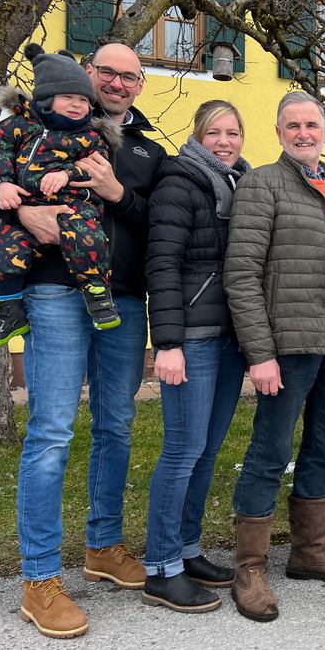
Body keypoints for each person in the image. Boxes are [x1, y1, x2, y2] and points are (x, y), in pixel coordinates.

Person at [0, 43, 166, 639]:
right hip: (53, 294)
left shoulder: (146, 147)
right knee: (51, 431)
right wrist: (22, 213)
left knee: (117, 425)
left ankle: (103, 547)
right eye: (108, 74)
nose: (117, 84)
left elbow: (159, 220)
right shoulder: (36, 127)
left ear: (139, 85)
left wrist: (117, 191)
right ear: (88, 77)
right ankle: (40, 577)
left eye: (131, 76)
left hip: (122, 300)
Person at [225, 91, 325, 623]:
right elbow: (241, 275)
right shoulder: (264, 183)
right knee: (270, 449)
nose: (303, 133)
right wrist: (260, 355)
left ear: (323, 127)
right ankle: (250, 567)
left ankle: (310, 551)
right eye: (293, 125)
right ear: (279, 131)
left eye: (311, 124)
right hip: (291, 344)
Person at [141, 100, 250, 614]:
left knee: (206, 451)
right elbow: (161, 264)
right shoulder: (179, 182)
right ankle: (161, 569)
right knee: (182, 449)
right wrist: (167, 343)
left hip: (228, 338)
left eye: (232, 133)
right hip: (191, 338)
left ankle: (186, 550)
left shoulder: (238, 184)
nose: (224, 142)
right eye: (214, 133)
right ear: (198, 136)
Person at [0, 43, 122, 349]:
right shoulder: (19, 126)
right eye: (67, 97)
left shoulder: (90, 135)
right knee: (5, 248)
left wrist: (67, 174)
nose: (76, 105)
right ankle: (7, 310)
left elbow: (97, 169)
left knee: (87, 238)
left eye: (83, 99)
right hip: (27, 208)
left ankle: (98, 295)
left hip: (75, 206)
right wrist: (1, 184)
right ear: (45, 98)